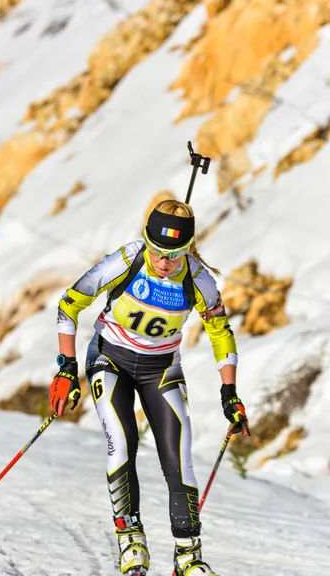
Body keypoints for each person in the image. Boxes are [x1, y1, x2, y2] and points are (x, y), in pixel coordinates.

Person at [50, 200, 249, 576]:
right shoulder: (125, 261)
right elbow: (69, 304)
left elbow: (220, 333)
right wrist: (66, 368)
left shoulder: (199, 280)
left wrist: (229, 393)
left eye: (173, 255)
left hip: (161, 369)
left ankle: (189, 554)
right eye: (156, 250)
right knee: (122, 442)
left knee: (178, 458)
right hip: (110, 359)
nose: (162, 261)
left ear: (188, 249)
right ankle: (131, 539)